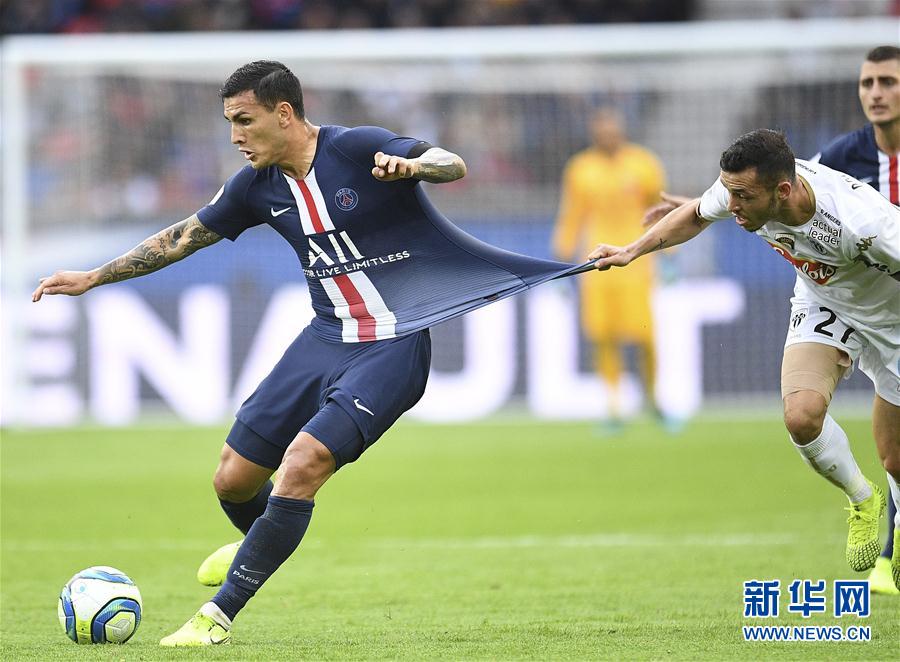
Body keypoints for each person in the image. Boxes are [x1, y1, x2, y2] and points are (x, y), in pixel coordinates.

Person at [32, 61, 586, 646]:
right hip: (325, 337)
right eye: (229, 123)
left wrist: (417, 166)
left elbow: (453, 163)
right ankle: (263, 543)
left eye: (244, 121)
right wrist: (95, 276)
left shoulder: (357, 149)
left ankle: (216, 617)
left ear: (284, 113)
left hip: (393, 342)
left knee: (302, 464)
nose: (235, 136)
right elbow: (182, 237)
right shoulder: (254, 186)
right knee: (233, 479)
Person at [590, 129, 900, 590]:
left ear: (783, 191)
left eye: (743, 197)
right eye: (729, 193)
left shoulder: (864, 223)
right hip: (827, 304)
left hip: (893, 321)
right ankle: (861, 499)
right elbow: (696, 214)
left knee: (895, 458)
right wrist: (630, 252)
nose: (732, 206)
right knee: (801, 417)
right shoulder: (744, 189)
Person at [552, 108, 666, 429]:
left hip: (637, 260)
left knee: (645, 334)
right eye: (602, 132)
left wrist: (670, 254)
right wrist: (562, 262)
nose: (608, 137)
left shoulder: (643, 164)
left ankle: (653, 400)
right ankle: (613, 406)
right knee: (603, 336)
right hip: (597, 263)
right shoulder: (581, 168)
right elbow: (572, 216)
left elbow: (661, 210)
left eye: (612, 131)